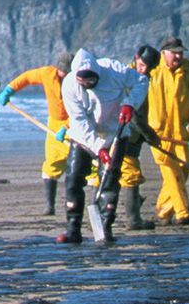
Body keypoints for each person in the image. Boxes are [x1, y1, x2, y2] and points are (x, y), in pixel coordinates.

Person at [55, 46, 152, 244]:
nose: (88, 84)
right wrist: (98, 148)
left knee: (109, 179)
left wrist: (130, 103)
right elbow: (80, 121)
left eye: (91, 80)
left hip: (115, 132)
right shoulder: (69, 85)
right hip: (84, 137)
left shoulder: (113, 70)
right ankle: (73, 229)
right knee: (73, 177)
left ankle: (105, 228)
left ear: (97, 74)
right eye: (83, 82)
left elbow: (141, 81)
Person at [0, 51, 73, 215]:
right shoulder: (47, 73)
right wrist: (9, 89)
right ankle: (49, 206)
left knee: (83, 165)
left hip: (76, 123)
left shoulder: (78, 82)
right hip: (54, 124)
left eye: (68, 72)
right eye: (63, 71)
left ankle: (73, 204)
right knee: (52, 162)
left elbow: (85, 109)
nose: (64, 74)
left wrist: (67, 126)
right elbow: (27, 77)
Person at [145, 36, 189, 225]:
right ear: (163, 53)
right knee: (171, 171)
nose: (178, 57)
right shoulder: (152, 70)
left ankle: (163, 211)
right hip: (158, 134)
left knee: (184, 168)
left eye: (180, 53)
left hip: (183, 133)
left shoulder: (188, 71)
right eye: (175, 53)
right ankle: (183, 213)